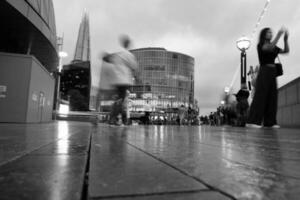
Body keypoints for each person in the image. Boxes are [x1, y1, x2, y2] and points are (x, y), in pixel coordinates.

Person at [247, 27, 289, 129]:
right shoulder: (261, 45)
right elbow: (268, 48)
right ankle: (253, 121)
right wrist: (279, 35)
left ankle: (270, 122)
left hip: (273, 72)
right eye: (268, 32)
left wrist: (285, 40)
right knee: (261, 95)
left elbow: (286, 51)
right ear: (264, 34)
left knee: (272, 96)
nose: (271, 34)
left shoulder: (274, 46)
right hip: (264, 71)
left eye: (271, 32)